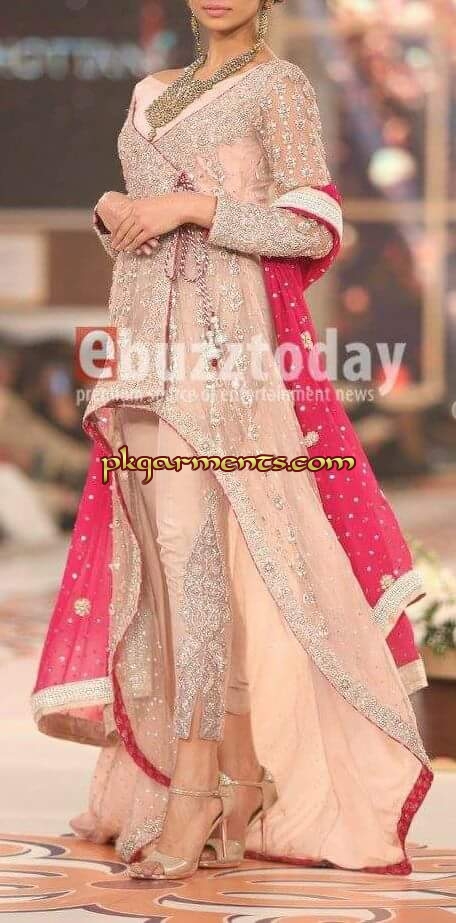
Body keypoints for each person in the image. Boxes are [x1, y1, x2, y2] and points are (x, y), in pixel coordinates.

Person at [32, 0, 433, 881]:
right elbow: (145, 216)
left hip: (227, 351)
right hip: (142, 345)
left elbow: (312, 224)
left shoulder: (278, 87)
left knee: (194, 552)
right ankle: (238, 779)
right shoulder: (150, 91)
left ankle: (198, 786)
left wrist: (192, 206)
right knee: (171, 562)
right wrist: (118, 210)